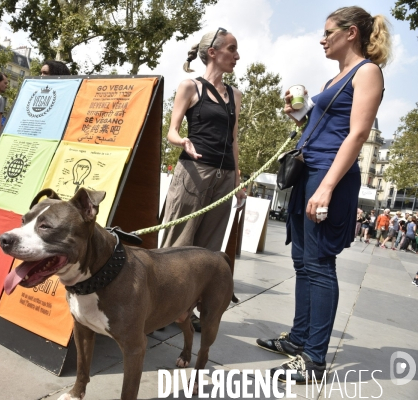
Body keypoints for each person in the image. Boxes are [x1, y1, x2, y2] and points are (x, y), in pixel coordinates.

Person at [256, 6, 391, 383]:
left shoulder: (367, 72)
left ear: (350, 33)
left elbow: (358, 134)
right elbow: (321, 127)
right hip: (309, 171)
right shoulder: (338, 76)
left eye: (328, 31)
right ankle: (299, 339)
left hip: (328, 175)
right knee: (302, 262)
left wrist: (328, 187)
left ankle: (314, 360)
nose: (321, 39)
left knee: (318, 265)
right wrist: (295, 116)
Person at [160, 27, 245, 331]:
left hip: (223, 177)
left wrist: (237, 179)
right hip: (193, 172)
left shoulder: (235, 95)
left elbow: (234, 140)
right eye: (232, 49)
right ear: (213, 52)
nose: (237, 56)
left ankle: (186, 310)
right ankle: (160, 307)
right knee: (178, 242)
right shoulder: (190, 87)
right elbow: (171, 131)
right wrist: (181, 140)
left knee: (207, 250)